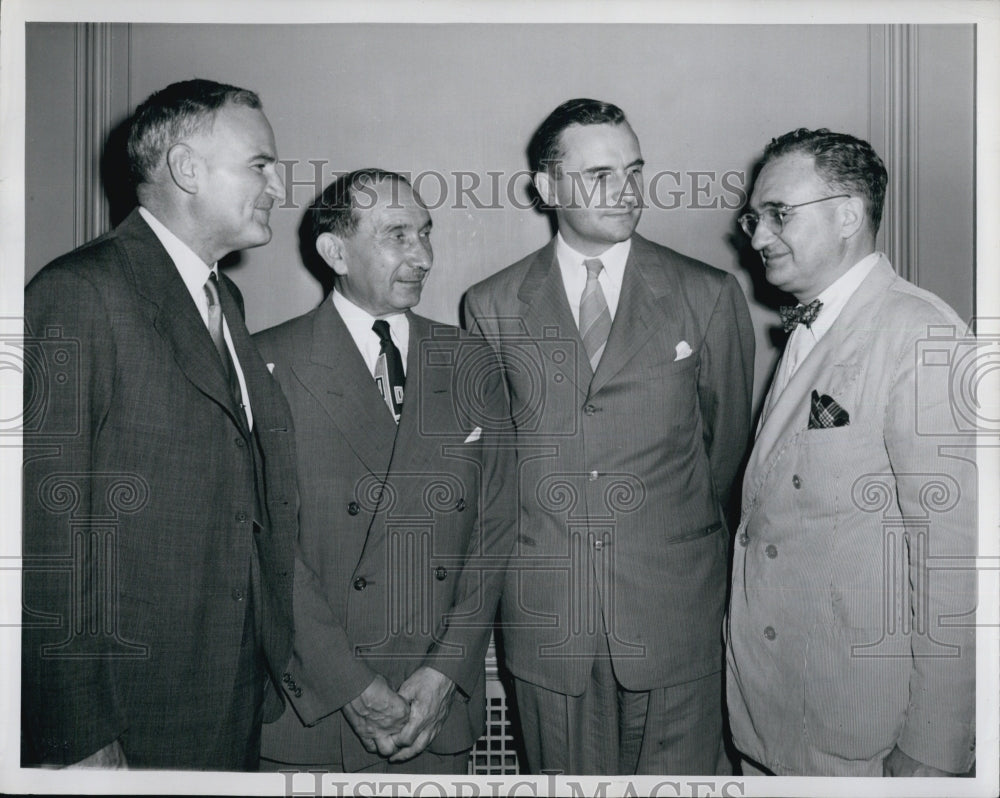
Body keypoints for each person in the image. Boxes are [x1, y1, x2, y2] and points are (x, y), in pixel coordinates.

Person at [464, 98, 755, 775]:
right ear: (547, 187)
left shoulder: (706, 293)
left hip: (674, 614)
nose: (624, 190)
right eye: (599, 174)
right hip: (549, 621)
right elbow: (494, 469)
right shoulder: (492, 304)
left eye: (633, 171)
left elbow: (727, 455)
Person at [21, 79, 297, 770]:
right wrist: (76, 733)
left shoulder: (221, 295)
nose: (277, 184)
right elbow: (42, 531)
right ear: (185, 168)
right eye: (260, 164)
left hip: (227, 686)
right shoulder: (78, 292)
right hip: (129, 709)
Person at [725, 128, 977, 777]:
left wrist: (933, 746)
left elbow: (954, 564)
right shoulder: (812, 326)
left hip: (864, 739)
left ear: (847, 214)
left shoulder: (920, 334)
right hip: (781, 718)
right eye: (755, 217)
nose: (756, 236)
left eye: (779, 214)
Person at [255, 169, 515, 774]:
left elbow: (497, 528)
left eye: (426, 233)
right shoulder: (267, 359)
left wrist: (446, 671)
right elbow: (266, 545)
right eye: (398, 234)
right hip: (314, 713)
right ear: (335, 250)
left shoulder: (471, 360)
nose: (423, 255)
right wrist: (350, 685)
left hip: (434, 710)